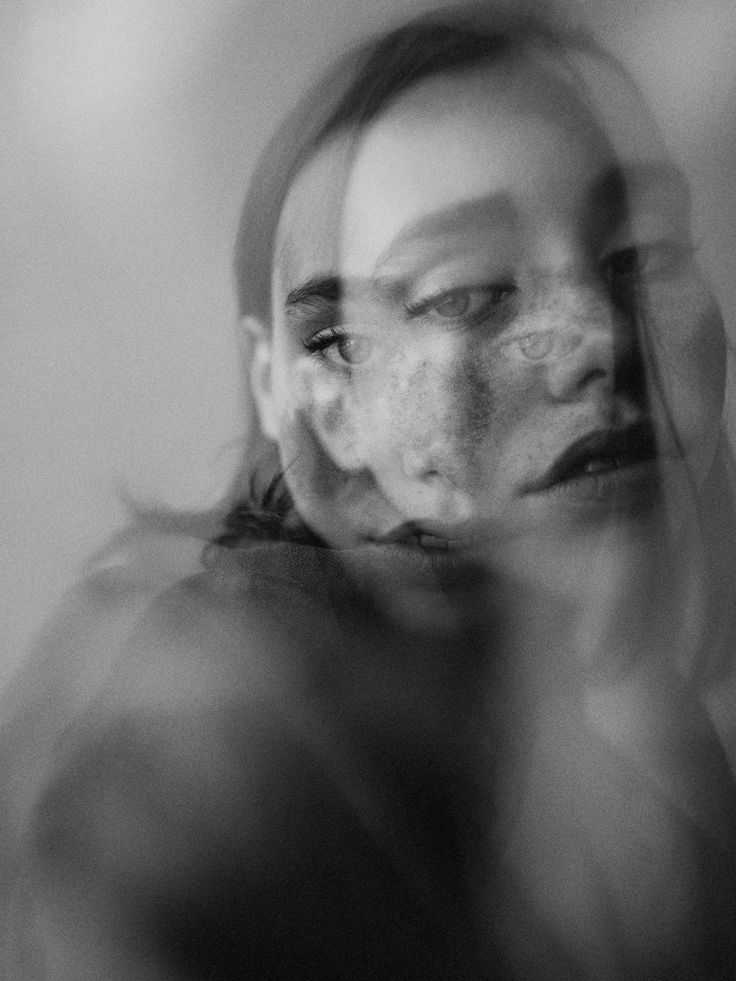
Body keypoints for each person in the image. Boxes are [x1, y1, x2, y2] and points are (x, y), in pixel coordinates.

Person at [5, 3, 736, 978]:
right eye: (465, 291)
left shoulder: (593, 677)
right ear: (319, 399)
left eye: (644, 257)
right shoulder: (216, 768)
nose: (595, 338)